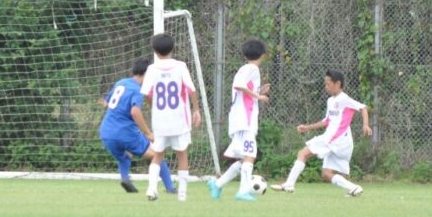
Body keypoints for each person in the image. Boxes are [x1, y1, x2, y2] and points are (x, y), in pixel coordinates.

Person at [271, 69, 370, 196]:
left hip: (335, 139)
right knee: (326, 174)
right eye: (325, 84)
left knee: (302, 153)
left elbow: (363, 107)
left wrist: (365, 125)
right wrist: (307, 127)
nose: (326, 87)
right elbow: (326, 121)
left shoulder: (344, 99)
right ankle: (354, 188)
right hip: (339, 141)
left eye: (328, 84)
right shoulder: (330, 101)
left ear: (338, 83)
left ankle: (289, 184)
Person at [99, 56, 176, 194]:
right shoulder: (137, 89)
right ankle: (170, 188)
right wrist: (148, 133)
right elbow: (135, 112)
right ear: (146, 73)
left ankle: (125, 178)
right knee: (157, 154)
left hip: (106, 132)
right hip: (125, 132)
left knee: (125, 156)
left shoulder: (121, 83)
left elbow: (106, 103)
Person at [141, 33, 201, 201]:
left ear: (154, 50)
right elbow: (191, 89)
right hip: (179, 120)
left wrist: (153, 105)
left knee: (158, 154)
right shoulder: (180, 66)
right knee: (182, 154)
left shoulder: (152, 69)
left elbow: (146, 93)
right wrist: (196, 109)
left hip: (160, 121)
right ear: (173, 48)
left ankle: (152, 189)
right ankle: (182, 194)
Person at [208, 39, 270, 202]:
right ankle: (243, 191)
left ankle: (217, 184)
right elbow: (238, 85)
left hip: (241, 118)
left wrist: (258, 91)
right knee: (250, 155)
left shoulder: (246, 68)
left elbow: (244, 90)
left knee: (244, 159)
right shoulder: (252, 68)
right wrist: (258, 96)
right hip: (244, 119)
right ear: (263, 55)